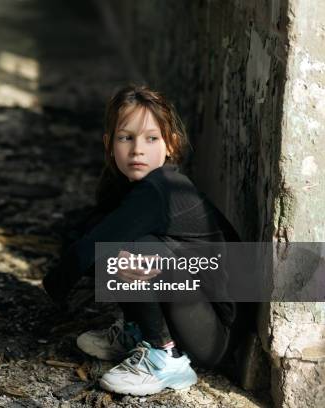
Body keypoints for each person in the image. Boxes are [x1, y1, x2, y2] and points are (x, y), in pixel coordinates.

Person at [42, 85, 242, 396]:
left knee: (130, 250)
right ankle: (138, 332)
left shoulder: (163, 187)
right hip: (193, 313)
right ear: (109, 144)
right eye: (126, 138)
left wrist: (52, 291)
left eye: (151, 138)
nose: (138, 149)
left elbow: (90, 250)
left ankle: (166, 356)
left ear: (170, 145)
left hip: (215, 334)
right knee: (115, 241)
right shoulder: (127, 184)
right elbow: (90, 230)